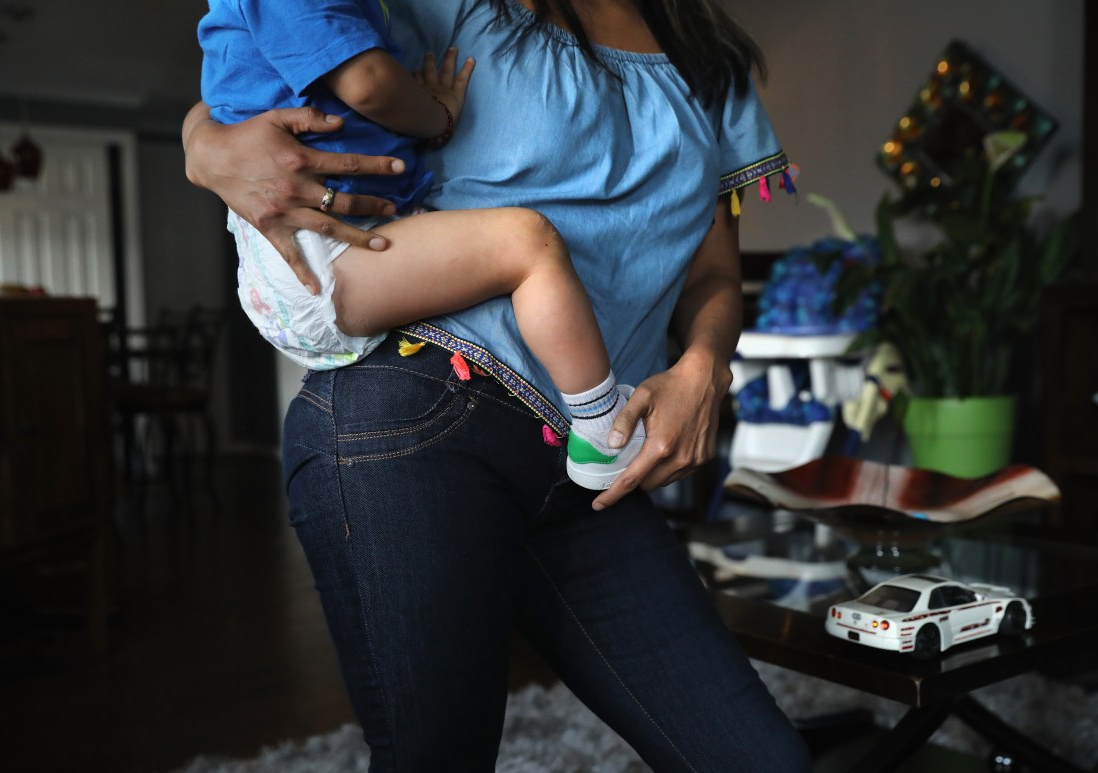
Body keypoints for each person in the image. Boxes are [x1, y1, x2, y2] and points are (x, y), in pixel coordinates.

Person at [183, 0, 812, 770]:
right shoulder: (447, 6)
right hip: (420, 415)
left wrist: (705, 364)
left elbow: (714, 270)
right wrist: (202, 140)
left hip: (594, 458)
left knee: (763, 759)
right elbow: (299, 63)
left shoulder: (711, 60)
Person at [198, 0, 644, 489]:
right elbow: (367, 82)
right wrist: (439, 117)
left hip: (338, 235)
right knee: (528, 242)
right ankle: (603, 430)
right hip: (318, 249)